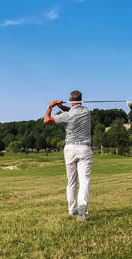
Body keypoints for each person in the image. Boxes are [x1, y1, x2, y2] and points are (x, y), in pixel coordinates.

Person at [44, 90, 93, 222]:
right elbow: (74, 109)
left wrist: (51, 106)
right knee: (84, 180)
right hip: (84, 148)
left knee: (71, 181)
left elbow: (47, 121)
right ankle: (82, 206)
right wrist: (61, 106)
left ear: (70, 101)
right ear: (81, 100)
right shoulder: (87, 112)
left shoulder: (67, 115)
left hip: (70, 148)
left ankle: (72, 209)